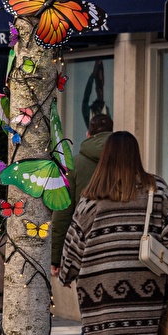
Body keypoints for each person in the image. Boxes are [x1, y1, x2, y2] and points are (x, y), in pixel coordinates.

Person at [59, 131, 168, 335]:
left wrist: (67, 272)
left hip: (101, 291)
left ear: (106, 158)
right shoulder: (157, 189)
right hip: (147, 287)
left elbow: (75, 238)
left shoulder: (92, 197)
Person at [50, 114, 113, 274]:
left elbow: (62, 213)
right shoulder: (126, 161)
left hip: (84, 247)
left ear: (88, 135)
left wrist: (56, 258)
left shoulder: (73, 164)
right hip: (120, 245)